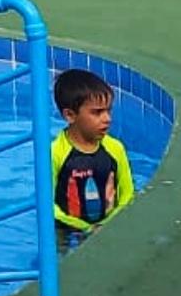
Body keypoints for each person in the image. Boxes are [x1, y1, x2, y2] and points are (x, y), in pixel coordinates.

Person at [51, 68, 135, 249]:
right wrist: (85, 228)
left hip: (107, 225)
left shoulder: (115, 149)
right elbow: (48, 205)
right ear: (70, 115)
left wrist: (105, 226)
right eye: (97, 112)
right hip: (65, 228)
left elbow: (127, 196)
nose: (107, 119)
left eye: (108, 110)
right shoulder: (55, 153)